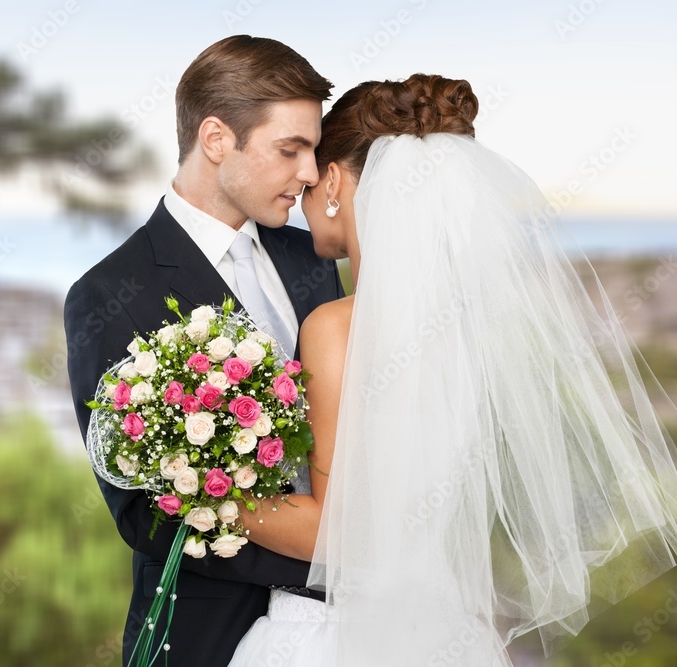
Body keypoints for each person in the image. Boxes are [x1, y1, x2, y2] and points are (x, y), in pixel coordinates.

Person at [228, 74, 677, 665]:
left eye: (315, 171)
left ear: (335, 179)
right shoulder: (470, 326)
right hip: (445, 627)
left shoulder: (338, 327)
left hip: (337, 634)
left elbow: (341, 533)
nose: (305, 183)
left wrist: (201, 493)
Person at [64, 35, 344, 666]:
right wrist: (329, 554)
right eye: (289, 149)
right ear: (217, 139)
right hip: (202, 640)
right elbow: (142, 513)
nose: (308, 174)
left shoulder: (312, 259)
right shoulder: (107, 292)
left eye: (315, 151)